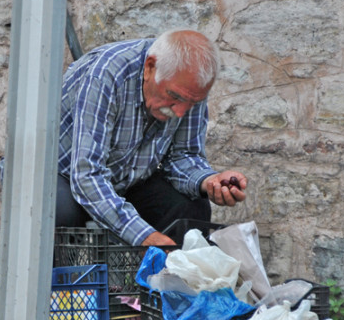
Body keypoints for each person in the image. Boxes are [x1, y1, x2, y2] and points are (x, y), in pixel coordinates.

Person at [56, 29, 247, 247]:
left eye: (192, 103)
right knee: (60, 210)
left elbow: (183, 155)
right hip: (63, 176)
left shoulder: (188, 87)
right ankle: (57, 281)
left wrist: (209, 180)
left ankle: (167, 280)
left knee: (191, 205)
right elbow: (87, 175)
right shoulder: (106, 75)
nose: (180, 112)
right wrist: (145, 237)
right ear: (149, 68)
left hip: (125, 179)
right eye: (174, 97)